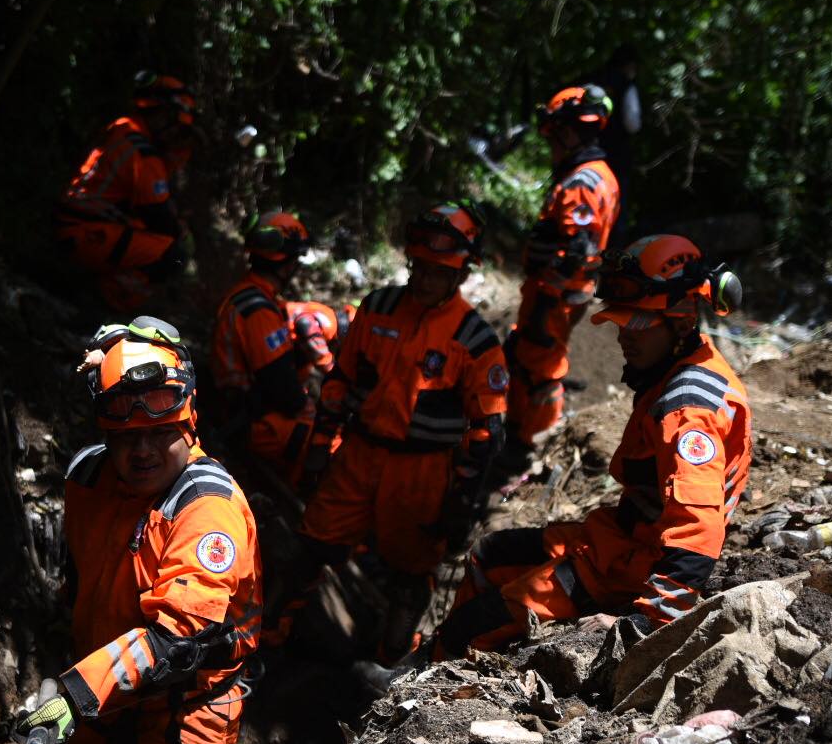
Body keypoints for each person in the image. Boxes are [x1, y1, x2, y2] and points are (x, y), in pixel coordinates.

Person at [17, 317, 261, 744]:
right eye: (126, 438)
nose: (143, 449)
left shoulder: (206, 507)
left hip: (185, 704)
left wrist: (76, 692)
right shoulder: (88, 478)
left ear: (189, 420)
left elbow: (179, 641)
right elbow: (79, 582)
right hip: (105, 688)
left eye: (161, 432)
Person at [433, 234, 751, 661]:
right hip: (617, 538)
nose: (624, 336)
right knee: (491, 553)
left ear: (680, 318)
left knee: (483, 622)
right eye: (621, 321)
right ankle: (430, 651)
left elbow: (697, 529)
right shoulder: (678, 367)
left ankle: (434, 666)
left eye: (637, 323)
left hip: (635, 563)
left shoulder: (688, 407)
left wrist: (649, 623)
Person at [266, 202, 509, 661]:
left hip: (424, 471)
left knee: (410, 573)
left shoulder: (475, 340)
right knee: (311, 544)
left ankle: (390, 662)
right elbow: (340, 382)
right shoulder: (377, 307)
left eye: (439, 270)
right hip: (360, 453)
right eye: (420, 266)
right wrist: (321, 446)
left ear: (461, 272)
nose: (426, 278)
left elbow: (486, 431)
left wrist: (463, 501)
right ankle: (268, 637)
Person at [504, 84, 620, 452]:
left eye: (554, 137)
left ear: (568, 131)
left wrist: (547, 292)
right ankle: (522, 430)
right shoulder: (601, 175)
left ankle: (529, 444)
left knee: (541, 369)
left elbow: (577, 249)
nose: (551, 147)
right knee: (531, 356)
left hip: (554, 294)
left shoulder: (581, 184)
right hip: (564, 292)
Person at [54, 74, 197, 311]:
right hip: (85, 234)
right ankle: (102, 306)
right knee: (172, 254)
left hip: (74, 224)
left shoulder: (121, 126)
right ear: (161, 114)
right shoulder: (143, 154)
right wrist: (181, 232)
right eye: (173, 121)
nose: (174, 132)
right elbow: (160, 218)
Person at [210, 210, 334, 479]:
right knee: (333, 442)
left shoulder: (249, 296)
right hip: (252, 421)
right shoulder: (258, 311)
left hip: (246, 410)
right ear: (288, 264)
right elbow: (284, 391)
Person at [587, 44, 644, 243]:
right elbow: (633, 124)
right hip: (616, 158)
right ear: (630, 65)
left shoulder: (594, 79)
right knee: (615, 209)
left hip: (586, 151)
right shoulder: (627, 86)